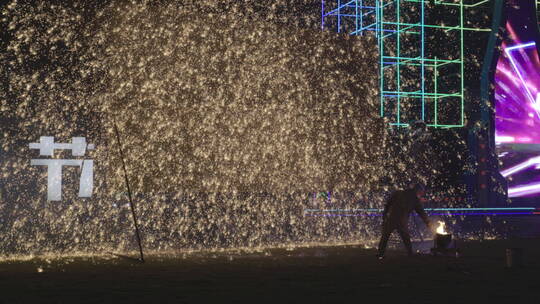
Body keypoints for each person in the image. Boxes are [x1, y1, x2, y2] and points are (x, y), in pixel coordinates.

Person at [376, 184, 433, 259]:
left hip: (391, 218)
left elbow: (388, 204)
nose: (421, 194)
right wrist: (429, 224)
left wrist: (385, 214)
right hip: (401, 220)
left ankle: (380, 254)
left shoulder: (399, 193)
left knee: (385, 236)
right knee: (405, 237)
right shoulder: (415, 199)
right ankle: (410, 253)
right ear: (418, 191)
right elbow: (421, 213)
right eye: (421, 192)